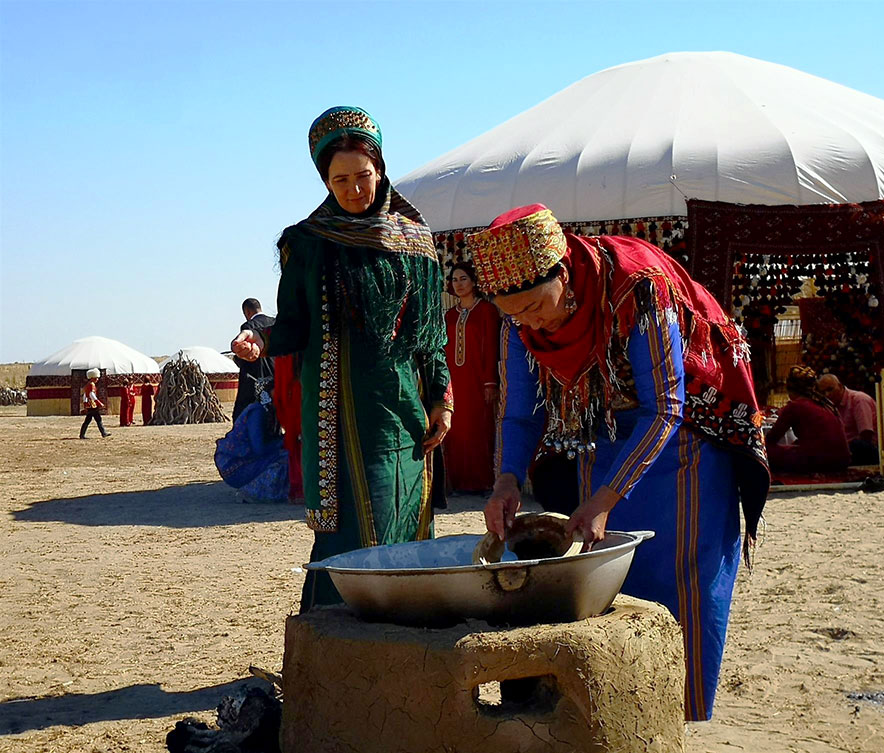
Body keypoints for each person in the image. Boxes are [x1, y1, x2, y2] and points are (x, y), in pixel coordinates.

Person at [475, 204, 770, 722]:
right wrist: (506, 481)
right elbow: (520, 413)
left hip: (689, 440)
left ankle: (675, 718)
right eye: (513, 314)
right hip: (605, 428)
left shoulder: (638, 289)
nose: (529, 322)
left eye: (535, 306)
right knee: (606, 580)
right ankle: (618, 714)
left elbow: (667, 407)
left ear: (562, 275)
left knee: (675, 581)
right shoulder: (519, 320)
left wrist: (605, 499)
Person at [232, 106, 452, 613]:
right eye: (340, 179)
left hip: (405, 411)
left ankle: (410, 645)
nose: (353, 189)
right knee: (350, 529)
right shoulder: (308, 244)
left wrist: (442, 397)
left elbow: (430, 337)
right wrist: (259, 345)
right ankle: (334, 650)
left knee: (406, 521)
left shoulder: (414, 242)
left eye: (362, 176)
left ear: (380, 170)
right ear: (323, 179)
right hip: (337, 416)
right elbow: (292, 326)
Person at [443, 262, 501, 493]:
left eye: (463, 278)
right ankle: (456, 483)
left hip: (478, 381)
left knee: (478, 429)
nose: (458, 284)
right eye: (454, 279)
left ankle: (481, 483)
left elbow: (492, 348)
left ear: (475, 282)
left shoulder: (487, 311)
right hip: (454, 381)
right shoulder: (448, 315)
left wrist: (490, 381)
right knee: (454, 431)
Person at [766, 366, 850, 472]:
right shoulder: (827, 404)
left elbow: (772, 438)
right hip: (842, 460)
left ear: (790, 390)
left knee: (764, 451)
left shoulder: (794, 406)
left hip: (820, 460)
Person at [817, 373, 879, 465]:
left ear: (840, 386)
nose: (827, 395)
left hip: (865, 452)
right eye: (823, 392)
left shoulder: (859, 400)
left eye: (830, 389)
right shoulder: (831, 406)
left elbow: (866, 435)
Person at [233, 298, 276, 422]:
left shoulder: (249, 327)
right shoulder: (274, 323)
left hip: (255, 378)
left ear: (247, 312)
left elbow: (247, 355)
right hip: (275, 375)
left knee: (248, 416)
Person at [80, 368, 110, 438]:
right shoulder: (91, 385)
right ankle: (103, 433)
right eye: (96, 378)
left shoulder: (88, 385)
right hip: (92, 405)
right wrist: (99, 403)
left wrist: (85, 404)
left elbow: (85, 395)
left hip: (89, 405)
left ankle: (82, 434)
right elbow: (91, 395)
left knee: (89, 420)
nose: (97, 379)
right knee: (97, 419)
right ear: (93, 377)